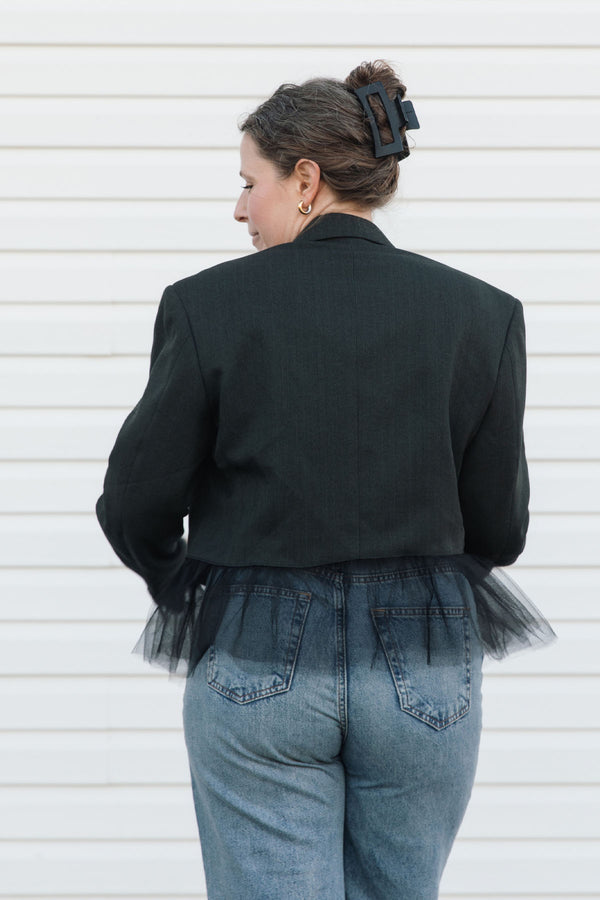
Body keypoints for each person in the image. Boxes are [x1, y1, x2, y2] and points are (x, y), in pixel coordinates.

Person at [96, 59, 555, 900]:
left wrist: (187, 589)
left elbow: (134, 501)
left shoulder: (207, 306)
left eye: (249, 182)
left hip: (259, 651)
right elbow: (502, 528)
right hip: (425, 657)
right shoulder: (483, 314)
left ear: (305, 180)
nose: (240, 207)